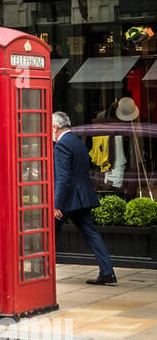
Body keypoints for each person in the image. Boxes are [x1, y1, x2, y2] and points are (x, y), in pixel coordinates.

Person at [52, 111, 117, 286]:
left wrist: (56, 205)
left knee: (49, 235)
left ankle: (44, 275)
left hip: (67, 200)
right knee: (91, 234)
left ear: (55, 127)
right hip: (82, 197)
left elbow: (63, 178)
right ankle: (107, 272)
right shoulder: (77, 142)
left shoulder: (61, 146)